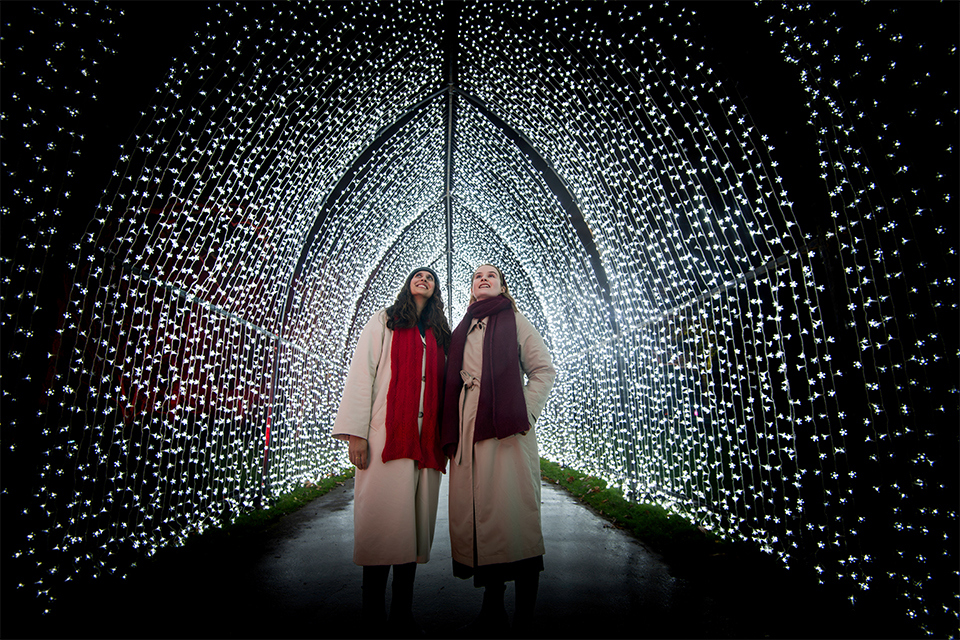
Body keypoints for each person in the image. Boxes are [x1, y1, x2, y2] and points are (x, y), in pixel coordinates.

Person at [333, 267, 451, 637]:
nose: (424, 280)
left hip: (424, 442)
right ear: (408, 284)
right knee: (382, 526)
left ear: (435, 291)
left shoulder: (439, 334)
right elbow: (362, 373)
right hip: (386, 438)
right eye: (418, 275)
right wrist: (356, 434)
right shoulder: (385, 321)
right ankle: (372, 616)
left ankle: (402, 615)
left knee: (412, 532)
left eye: (430, 278)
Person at [441, 264, 556, 635]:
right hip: (470, 429)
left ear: (502, 286)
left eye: (491, 275)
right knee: (485, 522)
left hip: (508, 432)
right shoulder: (463, 329)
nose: (483, 279)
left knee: (514, 520)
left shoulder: (516, 321)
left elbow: (543, 370)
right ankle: (492, 612)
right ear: (472, 290)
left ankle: (523, 620)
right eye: (477, 277)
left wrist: (523, 412)